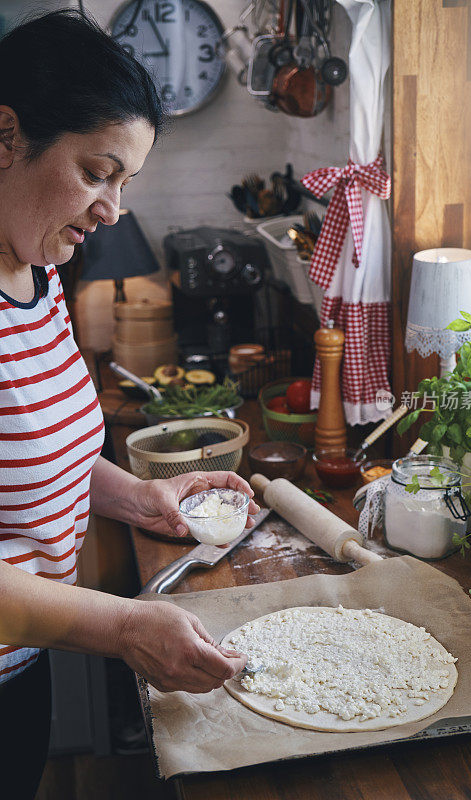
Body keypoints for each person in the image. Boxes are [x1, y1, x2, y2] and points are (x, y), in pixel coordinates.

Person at [0, 10, 258, 797]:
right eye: (97, 171)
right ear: (5, 136)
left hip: (22, 659)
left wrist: (136, 497)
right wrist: (122, 625)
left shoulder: (37, 274)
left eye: (125, 182)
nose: (112, 208)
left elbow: (39, 450)